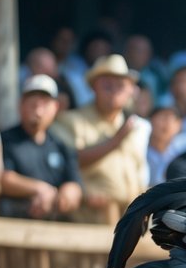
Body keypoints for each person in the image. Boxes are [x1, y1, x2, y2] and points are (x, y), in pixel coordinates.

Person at [50, 54, 149, 223]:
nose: (114, 89)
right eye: (107, 83)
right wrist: (115, 141)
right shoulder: (71, 121)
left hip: (128, 224)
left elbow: (139, 173)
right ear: (93, 86)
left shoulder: (133, 128)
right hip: (87, 222)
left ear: (131, 91)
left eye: (121, 84)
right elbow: (68, 161)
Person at [0, 75, 83, 220]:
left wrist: (68, 193)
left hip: (56, 227)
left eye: (44, 103)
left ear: (55, 107)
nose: (38, 109)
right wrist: (40, 189)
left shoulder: (61, 145)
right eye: (33, 102)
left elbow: (74, 183)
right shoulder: (4, 139)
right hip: (14, 221)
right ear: (21, 105)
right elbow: (4, 178)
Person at [144, 106, 186, 186]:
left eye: (173, 119)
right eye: (162, 118)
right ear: (151, 120)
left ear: (179, 125)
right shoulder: (141, 148)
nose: (167, 123)